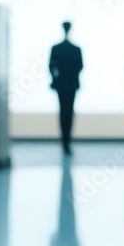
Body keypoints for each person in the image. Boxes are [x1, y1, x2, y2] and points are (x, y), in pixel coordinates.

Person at [49, 21, 83, 156]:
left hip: (61, 84)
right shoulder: (76, 49)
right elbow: (80, 66)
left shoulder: (56, 48)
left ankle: (64, 141)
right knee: (69, 111)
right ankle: (67, 140)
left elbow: (51, 66)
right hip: (71, 84)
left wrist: (56, 78)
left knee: (63, 111)